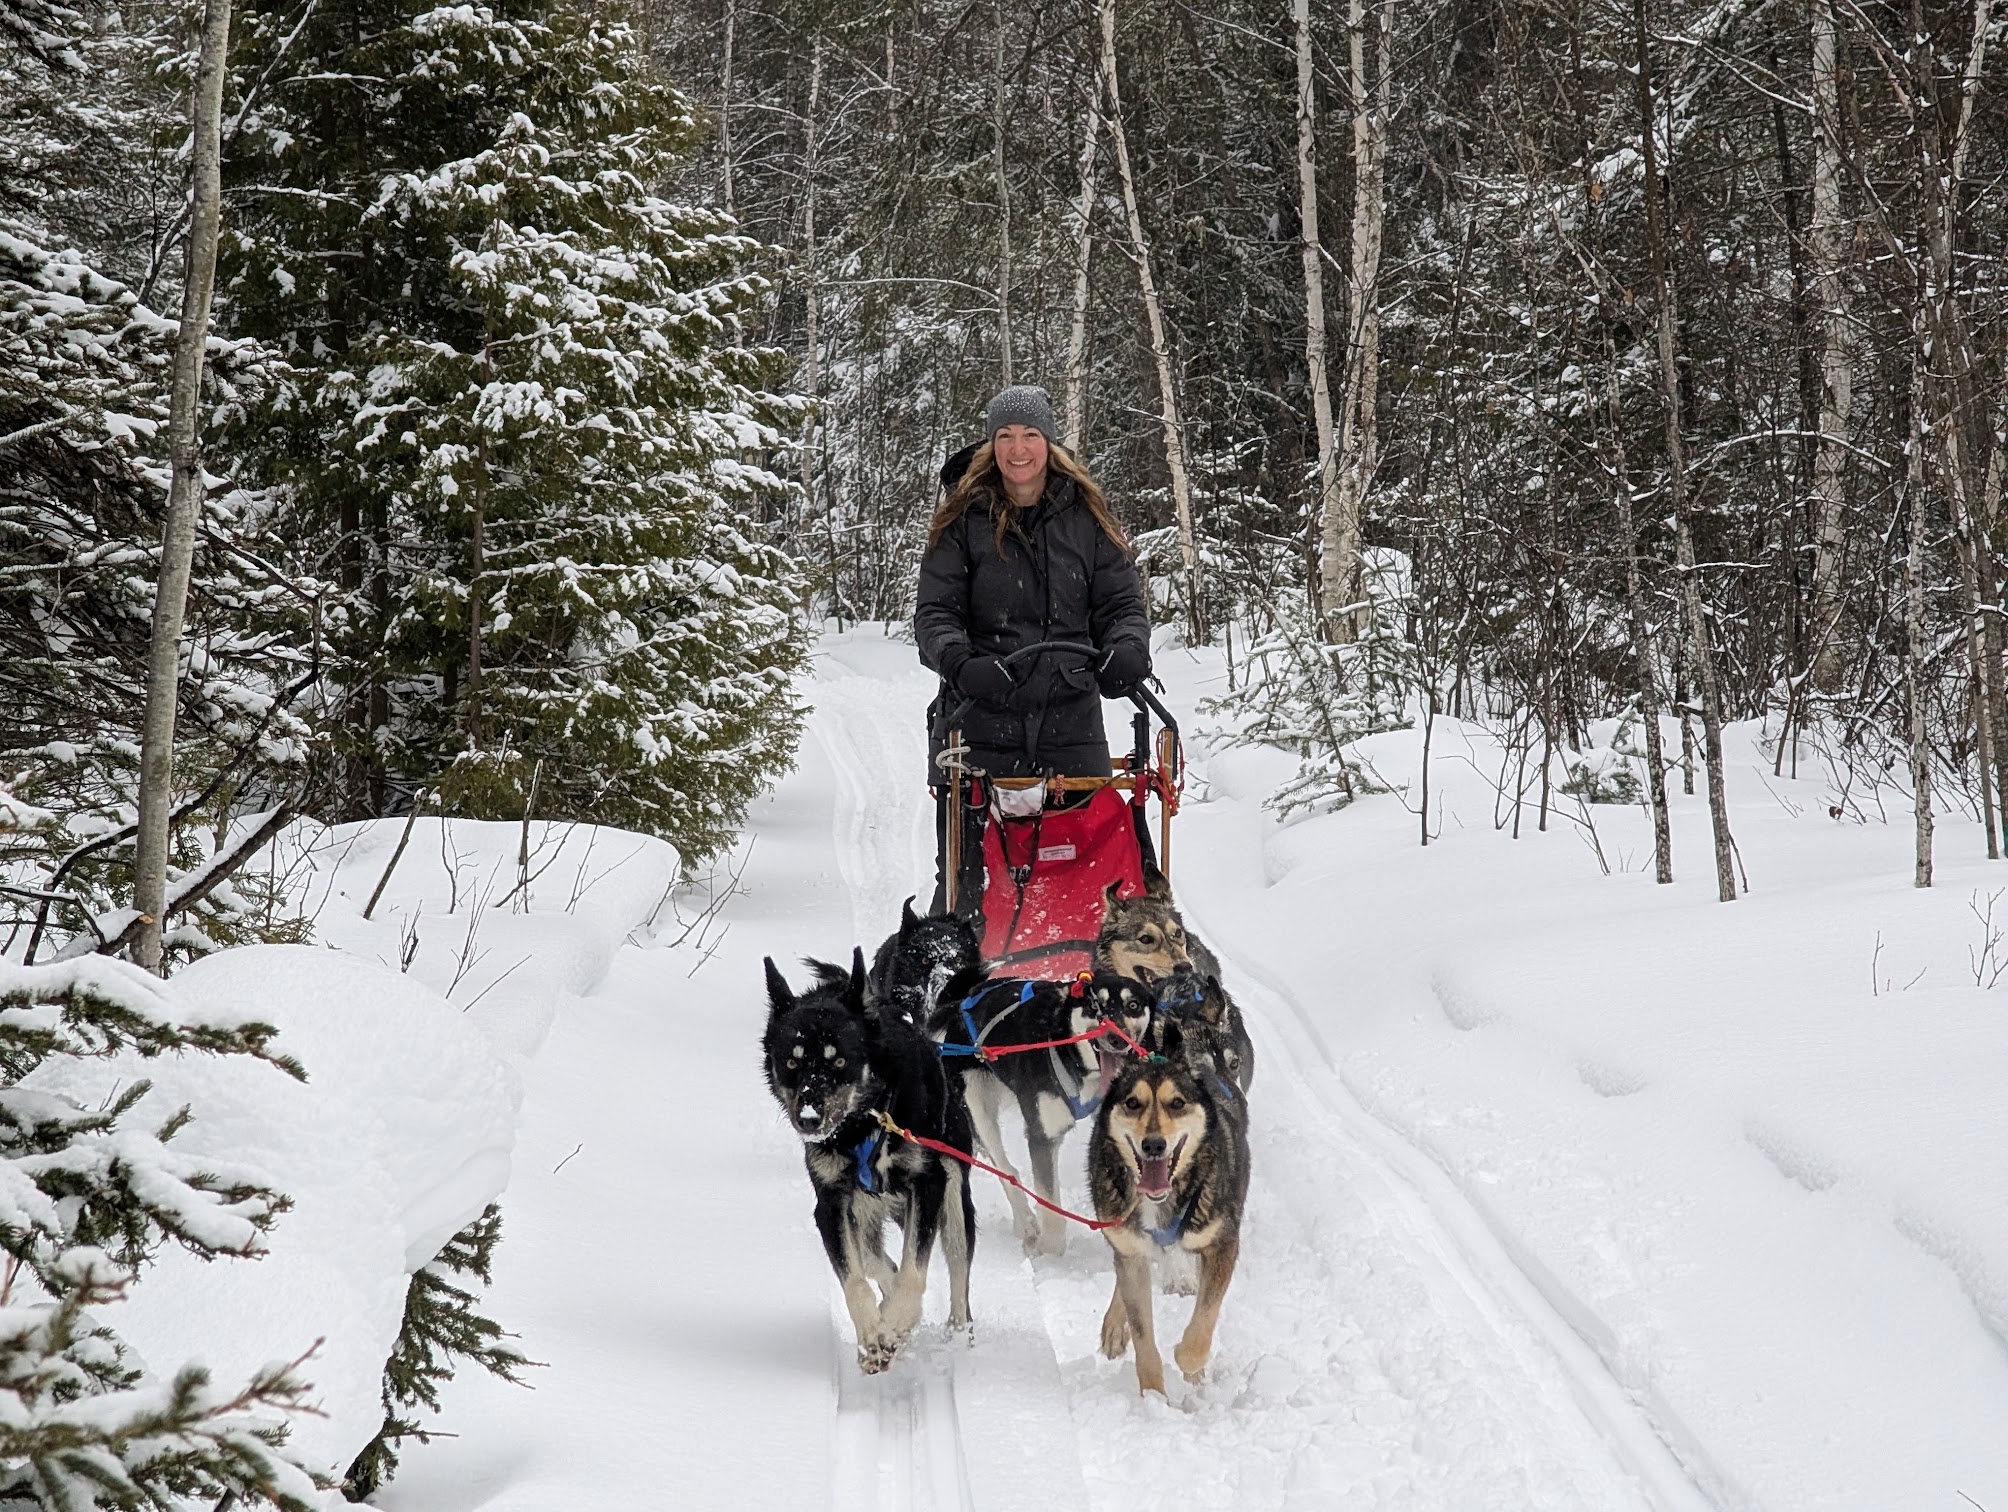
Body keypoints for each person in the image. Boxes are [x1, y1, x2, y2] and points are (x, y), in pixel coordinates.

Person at [915, 383, 1152, 914]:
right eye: (1004, 436)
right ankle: (958, 986)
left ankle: (1087, 986)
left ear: (1048, 442)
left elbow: (1119, 606)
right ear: (990, 444)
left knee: (1090, 873)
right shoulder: (962, 520)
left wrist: (1128, 650)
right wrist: (962, 664)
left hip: (1071, 724)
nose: (1017, 449)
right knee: (966, 883)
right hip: (979, 721)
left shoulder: (1087, 518)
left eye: (1028, 435)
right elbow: (935, 614)